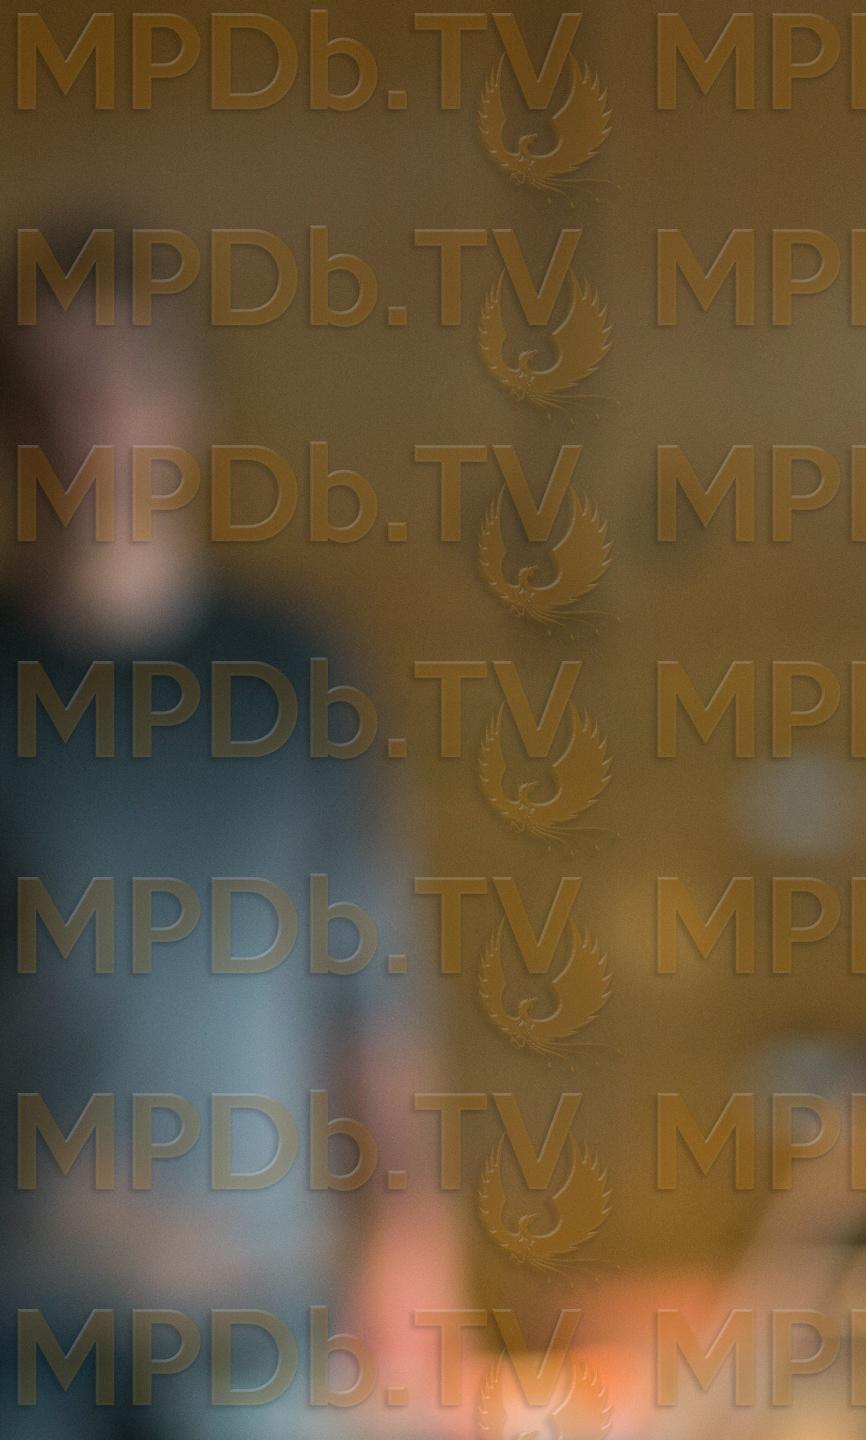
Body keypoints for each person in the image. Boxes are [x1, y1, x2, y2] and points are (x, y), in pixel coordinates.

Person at [0, 223, 469, 1438]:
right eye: (54, 386)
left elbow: (370, 986)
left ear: (190, 406)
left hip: (252, 1319)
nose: (90, 424)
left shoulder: (289, 677)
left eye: (123, 378)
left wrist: (412, 1238)